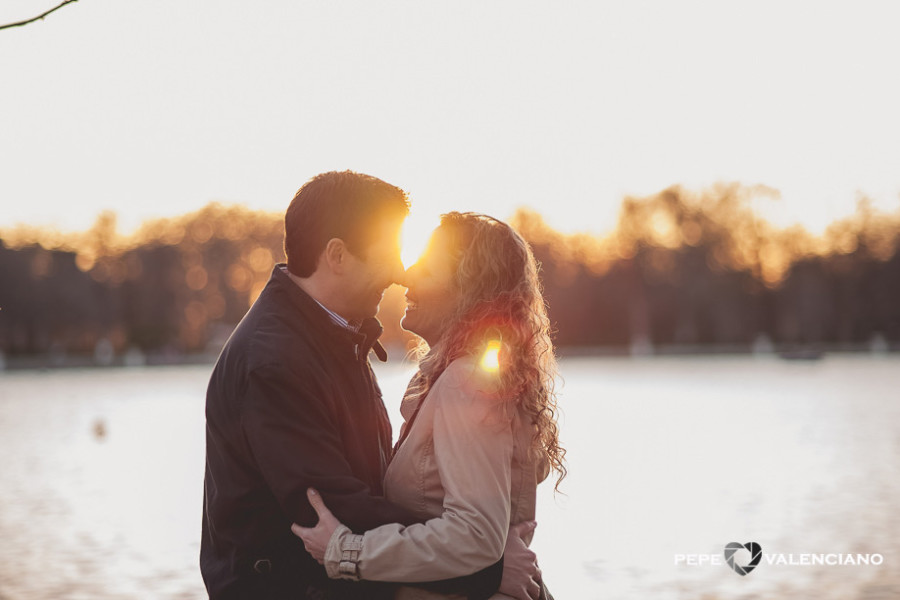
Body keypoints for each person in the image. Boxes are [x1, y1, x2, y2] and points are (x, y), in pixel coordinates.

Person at [200, 172, 539, 600]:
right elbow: (330, 508)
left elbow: (374, 491)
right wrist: (486, 571)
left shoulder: (337, 336)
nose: (400, 271)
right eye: (391, 252)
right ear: (338, 256)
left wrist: (481, 552)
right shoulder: (275, 361)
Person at [293, 212, 566, 600]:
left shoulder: (468, 381)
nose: (407, 276)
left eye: (428, 267)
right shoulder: (463, 378)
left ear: (468, 288)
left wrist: (347, 552)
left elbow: (475, 535)